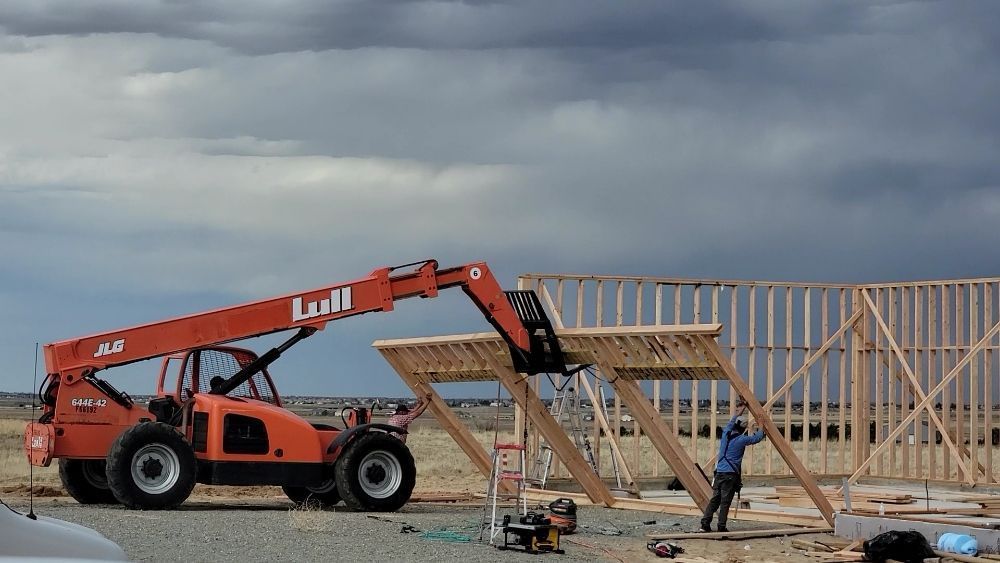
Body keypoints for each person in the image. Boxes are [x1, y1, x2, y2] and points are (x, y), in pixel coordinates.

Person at [699, 403, 766, 532]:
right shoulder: (741, 439)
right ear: (742, 429)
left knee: (714, 500)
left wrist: (738, 413)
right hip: (730, 475)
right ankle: (721, 527)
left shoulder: (726, 434)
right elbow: (757, 438)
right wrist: (761, 425)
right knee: (725, 502)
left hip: (719, 473)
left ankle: (705, 524)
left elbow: (731, 422)